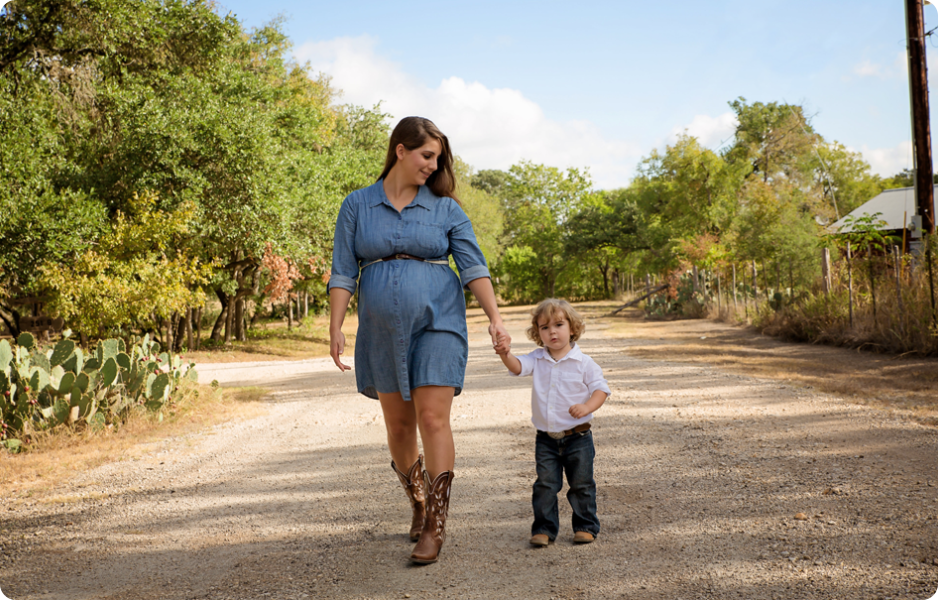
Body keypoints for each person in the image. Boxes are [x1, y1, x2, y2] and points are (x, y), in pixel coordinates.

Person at [328, 116, 511, 564]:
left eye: (438, 158)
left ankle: (436, 525)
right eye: (427, 156)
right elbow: (343, 270)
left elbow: (473, 266)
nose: (433, 165)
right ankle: (417, 500)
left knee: (432, 419)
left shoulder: (446, 208)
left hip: (439, 322)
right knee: (398, 426)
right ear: (401, 151)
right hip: (380, 328)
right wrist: (335, 325)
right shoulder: (357, 205)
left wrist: (495, 318)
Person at [495, 298, 609, 546]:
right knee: (545, 485)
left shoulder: (585, 363)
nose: (552, 332)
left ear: (572, 327)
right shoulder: (537, 359)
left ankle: (585, 526)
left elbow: (601, 390)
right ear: (538, 333)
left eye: (558, 324)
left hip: (578, 437)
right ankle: (544, 529)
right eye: (544, 327)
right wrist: (505, 354)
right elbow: (517, 367)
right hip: (546, 439)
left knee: (582, 484)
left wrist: (587, 406)